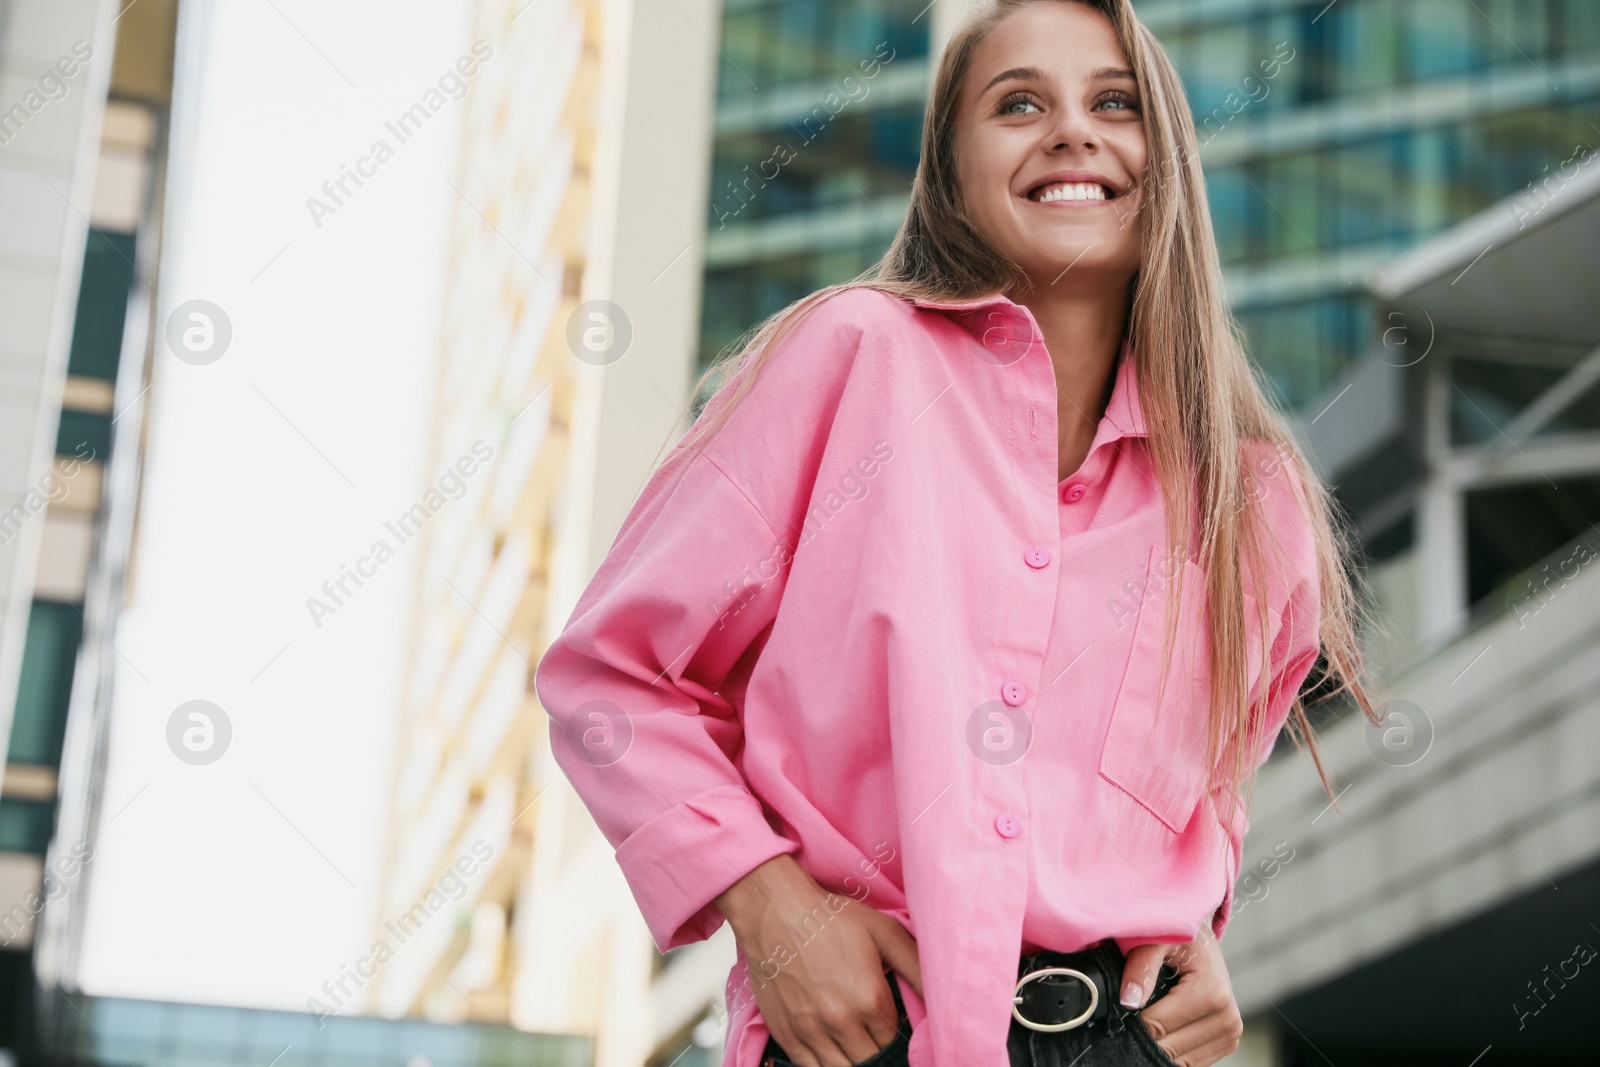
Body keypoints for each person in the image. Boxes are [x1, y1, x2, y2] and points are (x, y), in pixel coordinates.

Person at [534, 1, 1376, 1065]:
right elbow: (611, 676)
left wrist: (1200, 926)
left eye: (1114, 103)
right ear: (950, 170)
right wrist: (768, 901)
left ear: (1164, 158)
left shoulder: (1252, 505)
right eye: (1018, 103)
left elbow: (1208, 795)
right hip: (859, 1027)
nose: (1072, 130)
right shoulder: (849, 360)